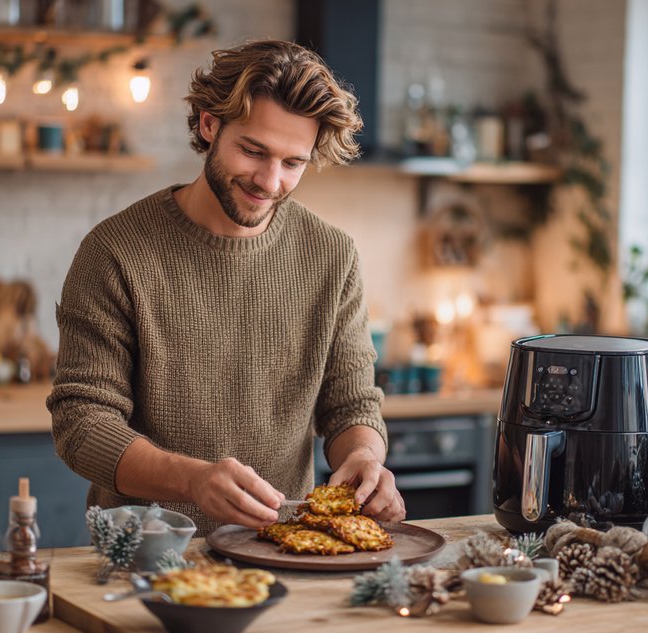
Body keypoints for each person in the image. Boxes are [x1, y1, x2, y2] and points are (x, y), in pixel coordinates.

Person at [47, 40, 405, 536]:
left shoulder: (332, 256)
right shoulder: (116, 252)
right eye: (253, 151)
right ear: (209, 123)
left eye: (293, 163)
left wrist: (365, 457)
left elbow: (351, 404)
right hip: (146, 556)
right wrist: (192, 480)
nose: (269, 181)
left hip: (283, 550)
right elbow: (81, 423)